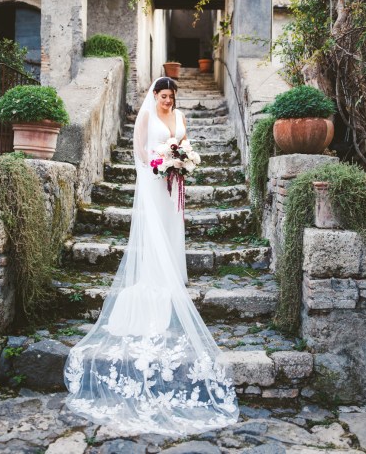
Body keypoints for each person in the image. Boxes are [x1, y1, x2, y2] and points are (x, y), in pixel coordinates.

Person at [64, 77, 239, 436]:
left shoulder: (180, 116)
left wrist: (181, 161)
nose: (167, 101)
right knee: (156, 231)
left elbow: (185, 143)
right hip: (153, 181)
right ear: (154, 96)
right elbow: (140, 150)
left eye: (171, 97)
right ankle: (155, 277)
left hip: (173, 181)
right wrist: (156, 167)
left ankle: (171, 274)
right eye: (163, 96)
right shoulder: (147, 114)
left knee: (172, 229)